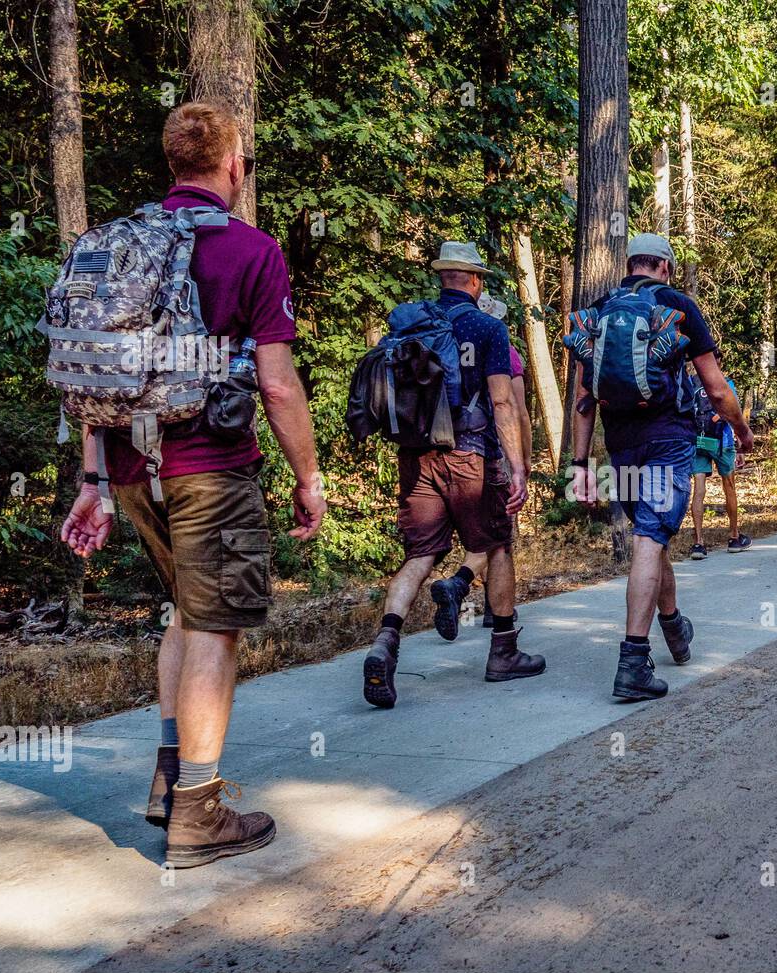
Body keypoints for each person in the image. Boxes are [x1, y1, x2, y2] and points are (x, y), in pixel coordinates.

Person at [60, 100, 326, 868]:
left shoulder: (117, 242)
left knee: (184, 611)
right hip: (210, 466)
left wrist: (93, 478)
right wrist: (309, 476)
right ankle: (199, 815)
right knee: (215, 627)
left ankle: (170, 778)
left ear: (173, 165)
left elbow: (93, 374)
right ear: (232, 166)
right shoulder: (250, 249)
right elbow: (277, 386)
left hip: (133, 469)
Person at [570, 233, 753, 701]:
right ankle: (633, 660)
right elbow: (715, 388)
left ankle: (673, 626)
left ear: (629, 264)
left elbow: (583, 400)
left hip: (622, 448)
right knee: (650, 541)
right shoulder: (677, 305)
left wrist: (580, 464)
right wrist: (743, 429)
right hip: (669, 444)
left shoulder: (599, 309)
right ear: (665, 267)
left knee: (653, 537)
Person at [362, 241, 545, 708]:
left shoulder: (412, 326)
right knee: (496, 544)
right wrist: (518, 465)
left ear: (443, 277)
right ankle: (503, 652)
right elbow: (503, 402)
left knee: (420, 554)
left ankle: (385, 642)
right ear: (476, 281)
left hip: (417, 457)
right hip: (470, 457)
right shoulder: (487, 328)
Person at [428, 292, 531, 638]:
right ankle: (460, 585)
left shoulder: (443, 341)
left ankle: (491, 608)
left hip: (437, 450)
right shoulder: (504, 351)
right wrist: (523, 461)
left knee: (486, 535)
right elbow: (515, 410)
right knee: (499, 537)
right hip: (488, 452)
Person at [688, 357, 751, 559]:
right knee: (729, 487)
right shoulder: (725, 383)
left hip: (698, 442)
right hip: (722, 442)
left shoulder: (691, 383)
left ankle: (698, 543)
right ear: (720, 362)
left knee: (698, 490)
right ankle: (734, 537)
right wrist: (741, 444)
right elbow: (734, 416)